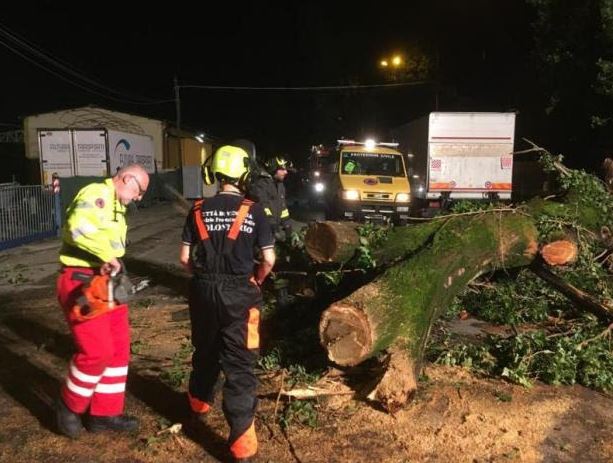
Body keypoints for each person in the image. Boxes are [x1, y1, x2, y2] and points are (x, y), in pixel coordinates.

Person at [180, 145, 275, 463]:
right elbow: (269, 259)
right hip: (240, 294)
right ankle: (241, 447)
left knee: (205, 350)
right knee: (240, 365)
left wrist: (202, 278)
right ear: (245, 175)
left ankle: (197, 407)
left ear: (213, 174)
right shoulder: (255, 210)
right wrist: (257, 279)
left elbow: (183, 259)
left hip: (204, 292)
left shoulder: (196, 209)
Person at [55, 163, 150, 439]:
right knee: (97, 351)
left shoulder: (117, 207)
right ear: (127, 179)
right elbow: (77, 228)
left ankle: (104, 414)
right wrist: (107, 255)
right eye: (140, 190)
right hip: (81, 281)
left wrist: (113, 264)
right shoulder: (97, 194)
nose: (140, 197)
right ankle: (68, 405)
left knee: (119, 350)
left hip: (106, 282)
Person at [247, 155, 292, 242]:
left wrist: (287, 224)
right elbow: (262, 206)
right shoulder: (261, 184)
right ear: (273, 169)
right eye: (282, 169)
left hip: (272, 231)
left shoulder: (280, 185)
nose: (286, 172)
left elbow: (283, 207)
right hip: (260, 232)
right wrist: (272, 225)